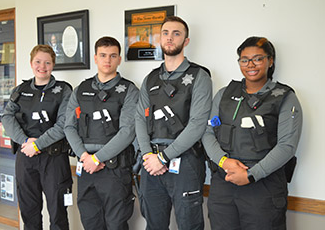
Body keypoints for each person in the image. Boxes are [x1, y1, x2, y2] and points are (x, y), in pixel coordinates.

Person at [202, 36, 303, 230]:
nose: (251, 64)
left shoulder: (285, 97)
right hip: (224, 181)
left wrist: (251, 175)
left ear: (270, 61)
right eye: (244, 59)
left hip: (263, 187)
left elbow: (287, 146)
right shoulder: (224, 94)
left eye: (258, 58)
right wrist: (224, 161)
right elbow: (207, 132)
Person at [135, 16, 212, 230]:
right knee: (154, 225)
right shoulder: (150, 79)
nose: (170, 38)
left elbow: (197, 124)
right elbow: (140, 118)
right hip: (151, 165)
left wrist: (164, 157)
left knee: (189, 225)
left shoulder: (199, 76)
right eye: (166, 33)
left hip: (185, 162)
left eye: (176, 33)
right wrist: (148, 155)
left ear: (186, 41)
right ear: (160, 39)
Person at [64, 36, 139, 230]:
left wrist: (97, 158)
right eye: (103, 55)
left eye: (113, 56)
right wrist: (84, 156)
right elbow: (69, 127)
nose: (108, 60)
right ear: (95, 58)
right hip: (86, 167)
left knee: (116, 224)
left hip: (114, 169)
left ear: (119, 59)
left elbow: (127, 132)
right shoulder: (81, 90)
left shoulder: (129, 90)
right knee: (90, 222)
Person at [1, 45, 73, 230]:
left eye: (47, 62)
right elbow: (7, 117)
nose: (42, 66)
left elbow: (64, 125)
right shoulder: (20, 90)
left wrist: (38, 144)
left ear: (53, 64)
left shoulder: (64, 90)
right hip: (26, 157)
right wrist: (25, 141)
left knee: (58, 213)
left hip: (54, 159)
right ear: (31, 63)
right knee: (29, 211)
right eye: (38, 62)